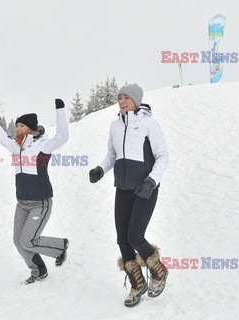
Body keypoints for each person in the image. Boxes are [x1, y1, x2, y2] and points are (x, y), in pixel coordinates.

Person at [88, 84, 169, 307]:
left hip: (145, 189)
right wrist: (100, 169)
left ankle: (158, 270)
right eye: (119, 97)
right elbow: (112, 155)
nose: (122, 101)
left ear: (136, 100)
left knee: (135, 236)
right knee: (122, 240)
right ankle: (137, 282)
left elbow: (163, 156)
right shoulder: (115, 126)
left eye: (126, 97)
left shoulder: (148, 124)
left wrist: (152, 180)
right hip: (122, 189)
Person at [0, 99, 69, 285]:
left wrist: (60, 110)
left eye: (21, 125)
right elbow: (1, 137)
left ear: (30, 128)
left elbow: (62, 137)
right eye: (16, 126)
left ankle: (60, 247)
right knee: (18, 241)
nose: (17, 129)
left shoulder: (43, 146)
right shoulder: (16, 147)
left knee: (28, 240)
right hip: (22, 203)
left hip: (41, 202)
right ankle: (38, 270)